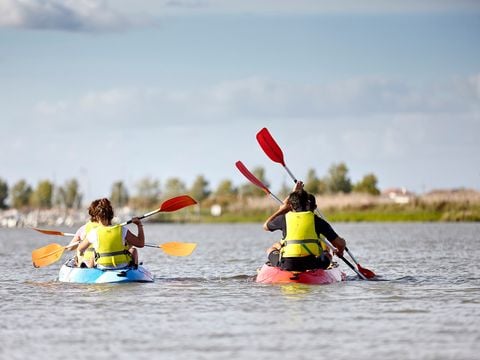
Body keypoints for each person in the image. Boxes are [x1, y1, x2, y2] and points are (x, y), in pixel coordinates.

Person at [263, 181, 346, 272]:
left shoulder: (284, 218)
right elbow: (340, 244)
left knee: (271, 249)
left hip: (288, 264)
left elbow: (265, 226)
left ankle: (280, 270)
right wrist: (340, 252)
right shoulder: (317, 220)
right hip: (312, 264)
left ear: (291, 206)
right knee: (327, 252)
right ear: (307, 204)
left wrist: (282, 210)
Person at [76, 198, 145, 269]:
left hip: (102, 266)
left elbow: (80, 249)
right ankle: (134, 269)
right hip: (122, 265)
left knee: (93, 255)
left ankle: (88, 270)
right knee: (133, 251)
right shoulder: (122, 230)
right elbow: (141, 243)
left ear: (97, 217)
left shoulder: (94, 233)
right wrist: (139, 225)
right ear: (111, 215)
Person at [67, 199, 101, 266]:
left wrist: (81, 242)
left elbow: (69, 248)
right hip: (104, 262)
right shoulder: (111, 228)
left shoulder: (83, 229)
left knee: (78, 254)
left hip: (87, 263)